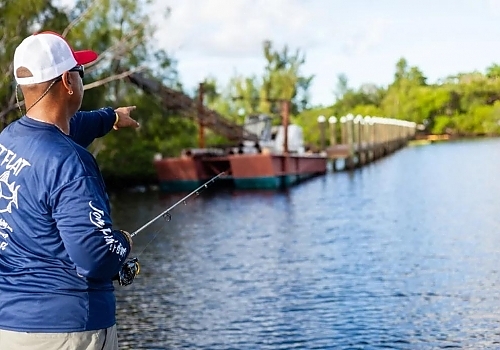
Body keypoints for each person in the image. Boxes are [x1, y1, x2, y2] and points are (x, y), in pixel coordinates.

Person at [0, 31, 140, 349]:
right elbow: (95, 257)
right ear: (67, 81)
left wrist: (112, 118)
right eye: (80, 71)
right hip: (69, 331)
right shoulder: (71, 163)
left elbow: (70, 126)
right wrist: (122, 244)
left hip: (10, 326)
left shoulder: (10, 139)